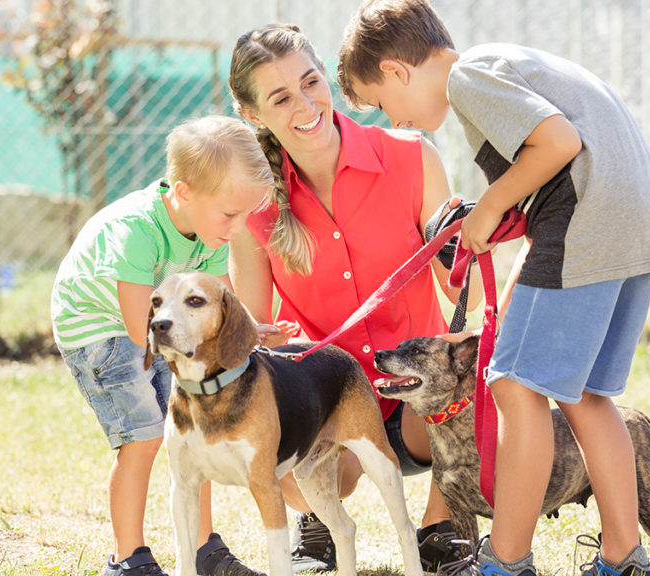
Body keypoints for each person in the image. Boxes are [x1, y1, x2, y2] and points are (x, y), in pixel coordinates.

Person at [337, 2, 650, 576]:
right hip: (637, 223)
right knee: (587, 393)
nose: (394, 121)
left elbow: (559, 143)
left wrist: (494, 205)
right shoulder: (510, 61)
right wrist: (505, 241)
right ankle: (623, 556)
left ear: (399, 70)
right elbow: (559, 166)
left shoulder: (469, 76)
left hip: (588, 222)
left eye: (382, 103)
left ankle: (505, 560)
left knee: (513, 384)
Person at [226, 23, 483, 574]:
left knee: (486, 371)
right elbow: (250, 334)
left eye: (311, 82)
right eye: (280, 97)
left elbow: (464, 293)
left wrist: (457, 262)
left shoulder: (412, 156)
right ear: (253, 115)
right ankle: (317, 520)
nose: (305, 103)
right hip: (325, 402)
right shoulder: (253, 207)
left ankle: (444, 523)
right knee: (271, 439)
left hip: (418, 397)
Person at [51, 115, 282, 576]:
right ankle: (127, 557)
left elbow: (219, 305)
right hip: (99, 327)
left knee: (195, 428)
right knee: (145, 435)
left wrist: (251, 331)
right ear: (183, 193)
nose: (238, 228)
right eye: (230, 214)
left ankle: (202, 548)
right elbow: (141, 331)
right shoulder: (136, 231)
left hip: (158, 328)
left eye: (244, 215)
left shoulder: (211, 232)